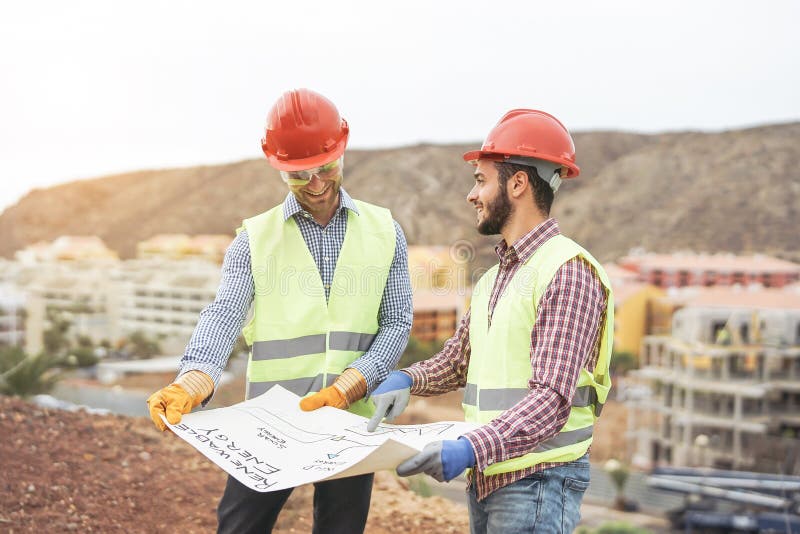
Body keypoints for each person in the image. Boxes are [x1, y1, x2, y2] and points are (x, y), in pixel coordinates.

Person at [146, 88, 412, 534]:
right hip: (270, 422)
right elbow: (225, 314)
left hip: (349, 418)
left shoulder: (386, 231)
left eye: (325, 168)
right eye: (299, 175)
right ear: (279, 168)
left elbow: (397, 322)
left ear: (342, 151)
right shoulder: (254, 238)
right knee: (240, 527)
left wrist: (352, 384)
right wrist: (195, 378)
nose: (316, 184)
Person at [368, 109, 614, 533]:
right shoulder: (495, 278)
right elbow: (457, 362)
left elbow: (551, 401)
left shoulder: (567, 272)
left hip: (537, 482)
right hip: (489, 474)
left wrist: (469, 448)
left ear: (517, 184)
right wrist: (408, 379)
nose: (472, 194)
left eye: (481, 180)